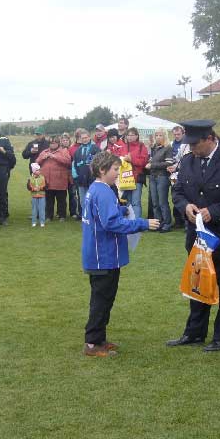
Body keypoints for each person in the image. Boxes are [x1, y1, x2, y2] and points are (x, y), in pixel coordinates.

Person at [168, 120, 220, 352]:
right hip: (197, 237)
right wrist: (184, 206)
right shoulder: (187, 160)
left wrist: (213, 211)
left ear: (210, 139)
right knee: (197, 283)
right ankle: (194, 332)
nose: (192, 148)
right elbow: (178, 191)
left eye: (195, 144)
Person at [81, 151, 160, 357]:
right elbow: (111, 223)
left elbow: (103, 216)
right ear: (102, 170)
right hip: (103, 256)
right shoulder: (103, 192)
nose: (118, 173)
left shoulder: (97, 188)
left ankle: (99, 338)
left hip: (101, 254)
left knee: (105, 299)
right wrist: (143, 223)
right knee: (101, 300)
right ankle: (92, 344)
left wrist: (121, 210)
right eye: (115, 169)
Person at [36, 136, 72, 221]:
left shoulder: (63, 151)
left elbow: (68, 161)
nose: (52, 145)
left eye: (54, 143)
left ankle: (62, 216)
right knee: (49, 200)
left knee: (61, 200)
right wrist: (42, 158)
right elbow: (37, 162)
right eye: (51, 143)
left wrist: (54, 157)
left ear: (58, 143)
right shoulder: (44, 152)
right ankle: (49, 216)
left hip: (60, 181)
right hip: (47, 181)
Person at [147, 128, 174, 233]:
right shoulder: (154, 147)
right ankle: (158, 223)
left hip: (162, 177)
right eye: (157, 135)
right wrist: (150, 161)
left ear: (165, 136)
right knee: (155, 202)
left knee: (162, 202)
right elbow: (152, 160)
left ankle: (167, 223)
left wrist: (152, 165)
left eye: (160, 135)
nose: (158, 137)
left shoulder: (168, 148)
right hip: (153, 177)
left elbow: (169, 163)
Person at [120, 127, 149, 218]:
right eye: (128, 135)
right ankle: (130, 221)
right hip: (126, 178)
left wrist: (131, 160)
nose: (130, 137)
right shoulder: (124, 147)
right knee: (128, 201)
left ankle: (137, 222)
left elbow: (143, 162)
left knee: (136, 202)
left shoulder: (141, 146)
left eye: (132, 135)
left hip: (137, 178)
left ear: (137, 136)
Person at [72, 129, 100, 211]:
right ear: (80, 139)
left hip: (92, 179)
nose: (84, 139)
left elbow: (100, 162)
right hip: (81, 180)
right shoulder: (77, 151)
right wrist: (76, 176)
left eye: (86, 137)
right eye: (82, 138)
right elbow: (74, 165)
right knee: (83, 201)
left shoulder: (95, 148)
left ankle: (94, 216)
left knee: (92, 200)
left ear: (89, 137)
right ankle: (85, 217)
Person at [168, 125, 189, 228]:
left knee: (187, 196)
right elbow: (177, 159)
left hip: (186, 175)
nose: (176, 136)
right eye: (175, 134)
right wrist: (172, 165)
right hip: (174, 175)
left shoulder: (187, 144)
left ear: (183, 134)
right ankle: (178, 220)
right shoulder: (171, 144)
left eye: (178, 134)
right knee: (176, 195)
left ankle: (186, 221)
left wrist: (176, 166)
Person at [27, 162, 47, 227]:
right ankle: (34, 221)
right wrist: (33, 189)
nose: (39, 171)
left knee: (42, 209)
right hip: (34, 196)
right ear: (34, 171)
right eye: (37, 170)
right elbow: (28, 187)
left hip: (42, 196)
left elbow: (46, 186)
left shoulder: (43, 178)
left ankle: (42, 222)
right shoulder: (30, 178)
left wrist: (40, 188)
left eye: (39, 170)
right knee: (34, 210)